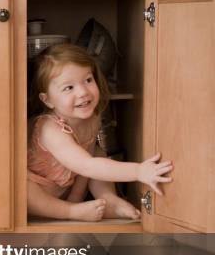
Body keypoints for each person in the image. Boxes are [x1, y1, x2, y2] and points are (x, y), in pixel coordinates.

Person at [27, 44, 173, 222]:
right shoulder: (49, 129)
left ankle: (109, 200)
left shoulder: (92, 118)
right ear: (47, 100)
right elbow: (86, 166)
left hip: (66, 186)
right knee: (20, 188)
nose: (83, 92)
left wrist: (76, 197)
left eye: (88, 80)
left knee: (98, 152)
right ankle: (68, 212)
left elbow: (87, 160)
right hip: (40, 192)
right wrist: (138, 171)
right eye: (69, 88)